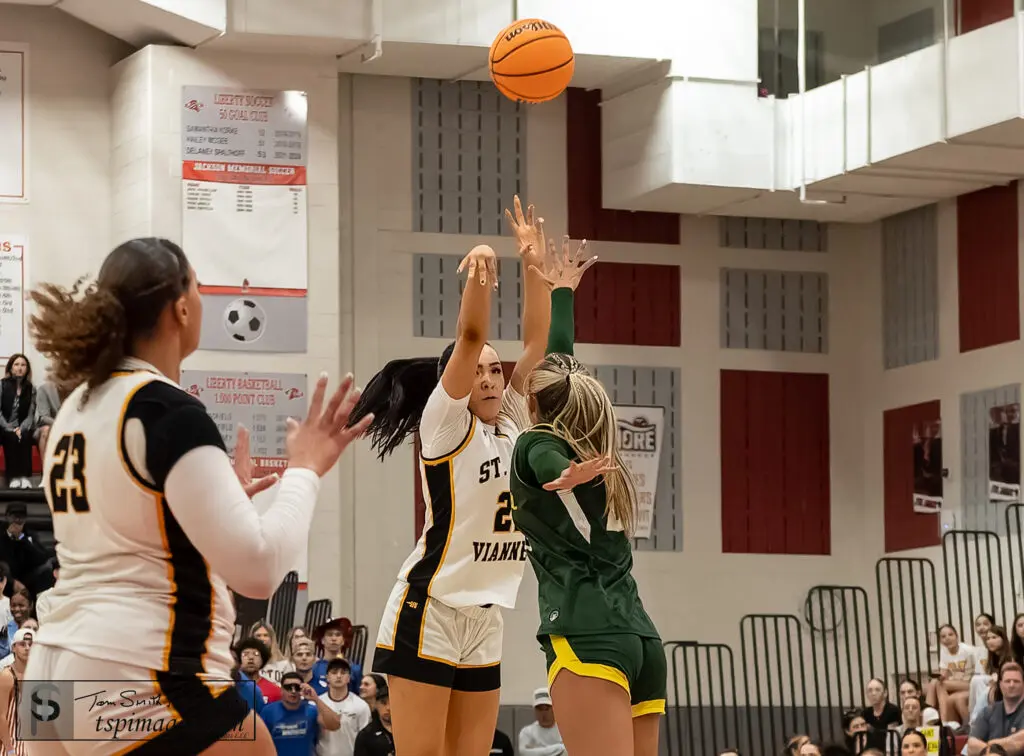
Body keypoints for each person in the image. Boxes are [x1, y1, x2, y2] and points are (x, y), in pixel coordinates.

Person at [22, 237, 373, 755]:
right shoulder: (165, 409)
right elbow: (257, 568)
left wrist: (222, 500)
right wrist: (306, 469)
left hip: (54, 675)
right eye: (199, 285)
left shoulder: (78, 405)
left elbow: (132, 526)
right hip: (134, 671)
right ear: (181, 307)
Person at [348, 198, 551, 756]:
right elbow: (468, 336)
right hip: (428, 607)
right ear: (455, 383)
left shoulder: (511, 421)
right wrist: (484, 267)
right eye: (479, 371)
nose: (489, 378)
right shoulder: (444, 427)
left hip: (486, 619)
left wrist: (533, 260)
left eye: (494, 369)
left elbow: (536, 345)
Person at [508, 238, 663, 756]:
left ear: (533, 400)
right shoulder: (599, 447)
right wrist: (562, 295)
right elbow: (562, 368)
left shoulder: (539, 443)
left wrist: (563, 477)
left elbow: (547, 462)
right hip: (639, 638)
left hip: (585, 634)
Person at [260, 670, 341, 755]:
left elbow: (334, 725)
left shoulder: (312, 711)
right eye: (288, 687)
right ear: (281, 690)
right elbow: (260, 742)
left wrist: (316, 699)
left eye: (297, 687)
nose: (293, 691)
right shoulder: (268, 711)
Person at [316, 658, 371, 756]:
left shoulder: (361, 706)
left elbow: (366, 740)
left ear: (349, 678)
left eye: (343, 672)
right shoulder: (318, 703)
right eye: (334, 672)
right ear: (327, 677)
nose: (338, 676)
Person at [967, 661, 1024, 755]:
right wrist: (991, 753)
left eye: (1016, 681)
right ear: (1000, 685)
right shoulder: (987, 712)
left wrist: (991, 747)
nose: (1011, 685)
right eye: (1007, 681)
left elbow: (1019, 743)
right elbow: (971, 746)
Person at [0, 354, 36, 489]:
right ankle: (13, 477)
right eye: (16, 364)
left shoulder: (31, 388)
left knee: (26, 436)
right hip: (4, 427)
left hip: (21, 426)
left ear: (27, 369)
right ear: (10, 368)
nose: (20, 368)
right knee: (11, 437)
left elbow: (30, 415)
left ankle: (24, 477)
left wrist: (22, 428)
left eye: (23, 365)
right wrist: (11, 428)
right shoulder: (2, 385)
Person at [0, 627, 31, 755]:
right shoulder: (7, 675)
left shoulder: (38, 674)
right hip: (11, 744)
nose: (27, 648)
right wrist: (9, 749)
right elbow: (1, 715)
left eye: (31, 644)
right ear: (13, 648)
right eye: (22, 644)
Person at [517, 687, 566, 756]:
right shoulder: (527, 732)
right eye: (540, 709)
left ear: (554, 709)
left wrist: (537, 750)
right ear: (535, 711)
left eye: (547, 709)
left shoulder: (564, 731)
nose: (543, 713)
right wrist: (559, 748)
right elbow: (524, 752)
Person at [353, 687, 394, 756]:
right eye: (383, 703)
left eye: (392, 702)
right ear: (376, 705)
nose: (388, 708)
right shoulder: (366, 735)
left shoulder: (409, 730)